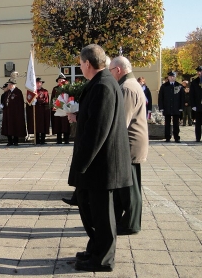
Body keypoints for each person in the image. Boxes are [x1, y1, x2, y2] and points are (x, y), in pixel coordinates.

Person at [67, 44, 132, 272]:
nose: (80, 67)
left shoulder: (104, 85)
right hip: (99, 164)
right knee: (92, 210)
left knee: (103, 215)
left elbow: (97, 131)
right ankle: (95, 249)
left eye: (80, 64)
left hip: (103, 165)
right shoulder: (101, 82)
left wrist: (80, 165)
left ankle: (103, 259)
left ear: (87, 63)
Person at [110, 56, 148, 235]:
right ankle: (124, 220)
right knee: (127, 187)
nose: (110, 74)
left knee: (130, 188)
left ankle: (131, 224)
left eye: (110, 70)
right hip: (134, 142)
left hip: (129, 144)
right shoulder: (133, 84)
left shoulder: (126, 88)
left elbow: (121, 121)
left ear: (118, 70)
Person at [1, 72, 27, 146]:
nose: (8, 86)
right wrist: (3, 105)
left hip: (15, 113)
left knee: (15, 126)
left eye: (10, 85)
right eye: (8, 85)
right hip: (8, 112)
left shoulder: (18, 92)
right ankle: (10, 141)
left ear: (13, 85)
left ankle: (16, 141)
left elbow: (20, 103)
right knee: (8, 127)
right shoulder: (7, 92)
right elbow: (5, 100)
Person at [158, 71, 185, 143]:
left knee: (176, 124)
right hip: (167, 107)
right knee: (167, 123)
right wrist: (161, 107)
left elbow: (182, 97)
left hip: (176, 107)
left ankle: (176, 137)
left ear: (175, 77)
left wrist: (181, 107)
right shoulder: (164, 86)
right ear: (168, 77)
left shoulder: (179, 86)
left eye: (173, 76)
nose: (172, 78)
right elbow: (161, 97)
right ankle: (167, 137)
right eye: (170, 76)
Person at [26, 77, 50, 144]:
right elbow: (28, 101)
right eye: (37, 83)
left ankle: (43, 139)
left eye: (40, 83)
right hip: (35, 111)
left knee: (42, 125)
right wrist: (31, 102)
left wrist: (38, 100)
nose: (38, 84)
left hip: (42, 111)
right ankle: (36, 139)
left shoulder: (45, 91)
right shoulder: (32, 92)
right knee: (35, 125)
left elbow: (46, 101)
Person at [51, 74, 70, 144]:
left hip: (66, 109)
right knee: (58, 124)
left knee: (65, 125)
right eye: (59, 80)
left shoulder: (67, 88)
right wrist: (53, 105)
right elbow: (52, 98)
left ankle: (66, 139)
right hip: (58, 108)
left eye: (62, 80)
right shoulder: (55, 89)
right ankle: (59, 140)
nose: (61, 81)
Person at [190, 66, 202, 142]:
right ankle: (198, 137)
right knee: (198, 123)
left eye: (200, 71)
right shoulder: (194, 82)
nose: (199, 73)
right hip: (198, 105)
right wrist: (193, 105)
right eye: (198, 71)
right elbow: (192, 95)